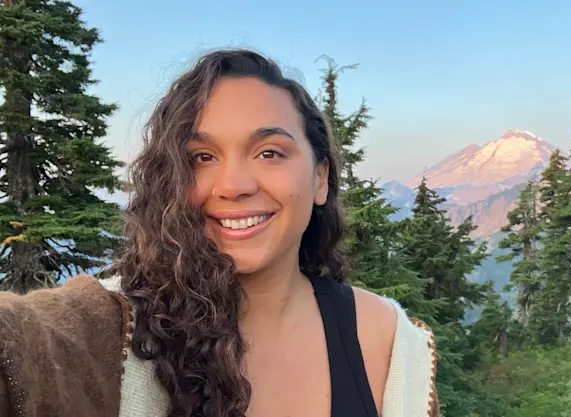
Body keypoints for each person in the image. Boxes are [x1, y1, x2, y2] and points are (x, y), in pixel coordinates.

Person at [0, 49, 439, 417]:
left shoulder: (389, 339)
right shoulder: (108, 330)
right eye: (202, 157)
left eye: (270, 152)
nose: (233, 186)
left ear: (320, 178)